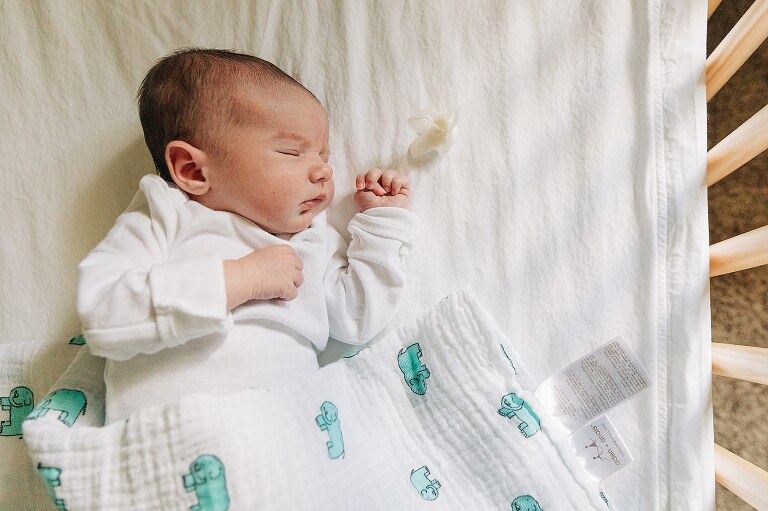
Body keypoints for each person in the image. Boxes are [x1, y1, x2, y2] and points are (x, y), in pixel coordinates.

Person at [77, 48, 417, 423]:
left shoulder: (309, 235)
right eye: (291, 152)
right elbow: (104, 312)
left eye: (324, 155)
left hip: (283, 431)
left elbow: (357, 317)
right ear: (193, 170)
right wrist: (243, 278)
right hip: (166, 430)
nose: (323, 171)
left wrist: (381, 223)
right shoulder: (165, 214)